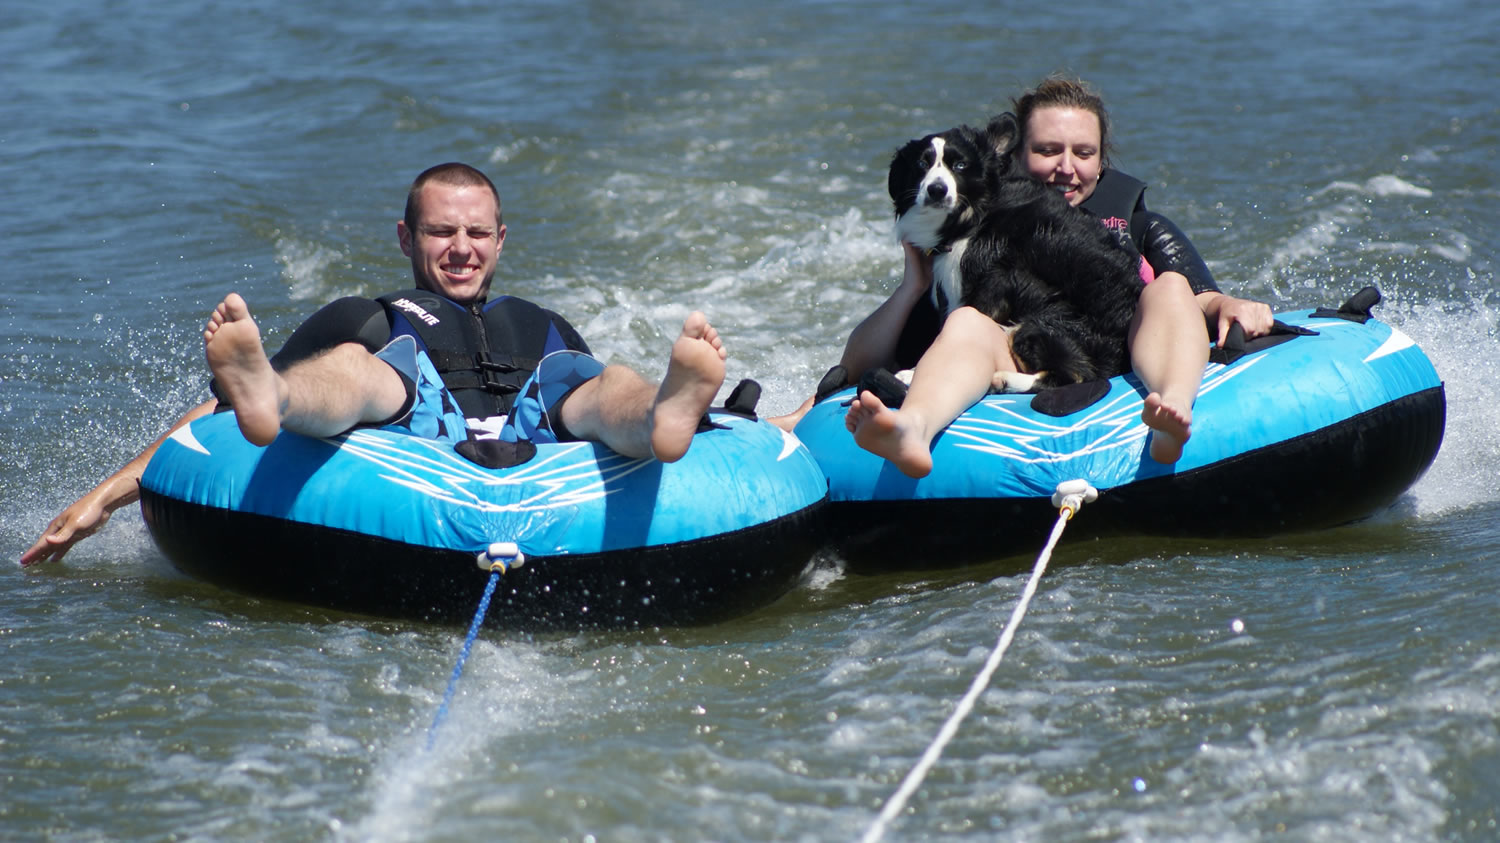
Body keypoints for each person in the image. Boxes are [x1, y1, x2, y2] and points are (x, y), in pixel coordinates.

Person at [22, 162, 726, 566]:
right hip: (414, 403)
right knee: (361, 370)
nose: (461, 247)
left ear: (501, 239)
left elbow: (578, 393)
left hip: (538, 409)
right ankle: (271, 393)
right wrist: (107, 496)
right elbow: (207, 418)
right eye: (440, 231)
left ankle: (665, 411)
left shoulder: (542, 322)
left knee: (604, 383)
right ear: (405, 236)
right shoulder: (371, 312)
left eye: (477, 232)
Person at [840, 75, 1273, 477]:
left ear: (1102, 162)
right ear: (1009, 155)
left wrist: (1227, 304)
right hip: (1019, 354)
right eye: (1048, 151)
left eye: (1083, 154)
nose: (1066, 167)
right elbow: (858, 365)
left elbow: (1198, 297)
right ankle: (912, 429)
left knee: (1170, 284)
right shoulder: (957, 241)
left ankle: (1172, 411)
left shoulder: (1142, 228)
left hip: (1128, 346)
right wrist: (912, 285)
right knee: (966, 320)